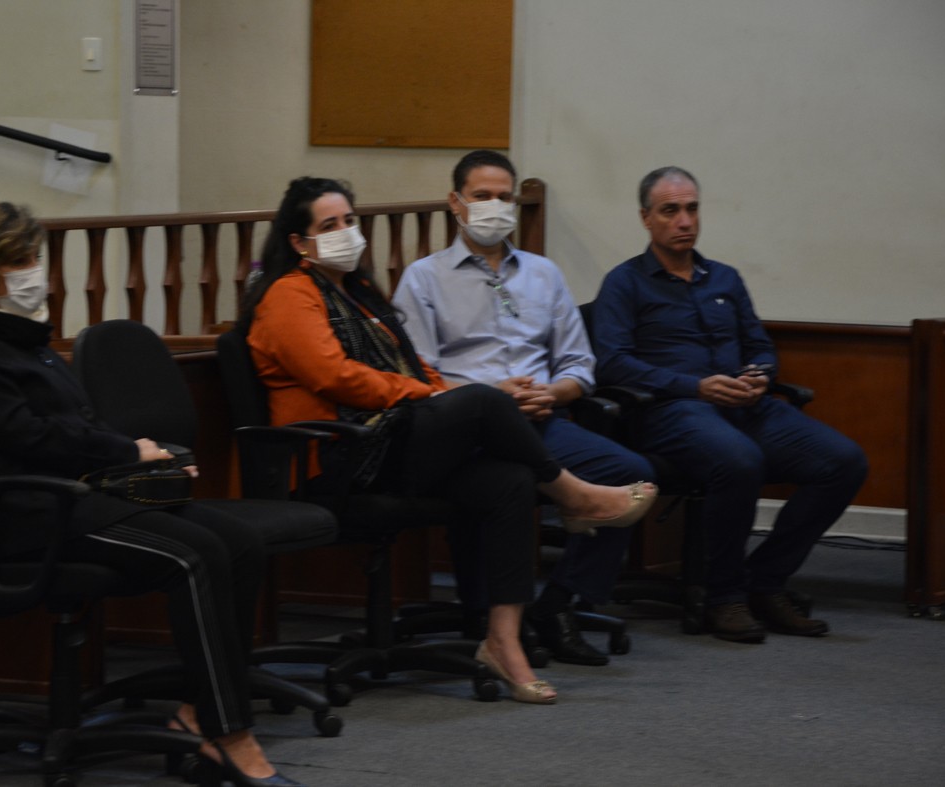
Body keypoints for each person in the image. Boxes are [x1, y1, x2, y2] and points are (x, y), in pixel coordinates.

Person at [0, 202, 304, 787]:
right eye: (18, 261)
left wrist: (150, 453)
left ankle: (197, 709)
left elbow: (78, 424)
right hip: (21, 515)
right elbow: (28, 438)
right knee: (193, 556)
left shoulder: (27, 342)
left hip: (71, 499)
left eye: (33, 257)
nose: (33, 271)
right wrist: (126, 451)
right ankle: (227, 732)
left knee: (239, 542)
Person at [242, 177, 658, 704]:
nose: (346, 232)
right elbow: (337, 378)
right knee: (484, 400)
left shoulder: (358, 293)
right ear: (299, 242)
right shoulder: (288, 294)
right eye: (330, 225)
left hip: (387, 442)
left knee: (510, 479)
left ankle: (502, 641)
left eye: (349, 220)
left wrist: (433, 391)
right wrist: (434, 395)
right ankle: (574, 496)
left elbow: (414, 368)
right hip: (337, 456)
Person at [393, 150, 656, 667]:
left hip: (541, 420)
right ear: (455, 203)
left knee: (631, 474)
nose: (495, 206)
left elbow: (579, 363)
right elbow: (418, 376)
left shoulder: (543, 274)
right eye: (481, 196)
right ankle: (486, 618)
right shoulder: (423, 278)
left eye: (503, 197)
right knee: (505, 480)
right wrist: (492, 394)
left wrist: (553, 393)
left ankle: (558, 606)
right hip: (467, 431)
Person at [593, 167, 868, 643]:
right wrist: (695, 387)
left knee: (844, 462)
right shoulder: (624, 283)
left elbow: (759, 345)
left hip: (745, 406)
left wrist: (759, 374)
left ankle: (765, 581)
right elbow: (613, 363)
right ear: (645, 218)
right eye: (670, 210)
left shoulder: (724, 278)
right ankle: (724, 597)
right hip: (672, 410)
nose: (685, 221)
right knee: (740, 460)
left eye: (692, 209)